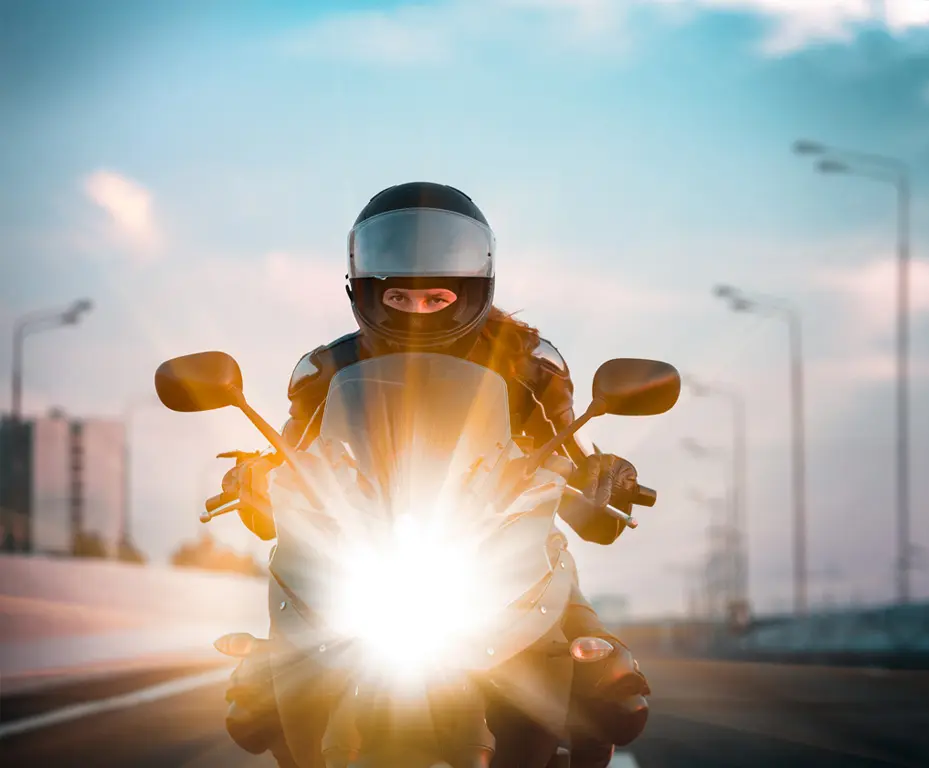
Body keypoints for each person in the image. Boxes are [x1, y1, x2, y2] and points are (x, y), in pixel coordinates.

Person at [219, 181, 650, 768]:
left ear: (472, 291)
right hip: (361, 552)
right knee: (261, 687)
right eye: (400, 299)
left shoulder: (530, 362)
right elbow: (294, 458)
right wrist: (254, 479)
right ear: (367, 293)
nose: (417, 312)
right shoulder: (326, 370)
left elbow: (569, 456)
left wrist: (604, 477)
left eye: (436, 299)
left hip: (503, 549)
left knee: (608, 685)